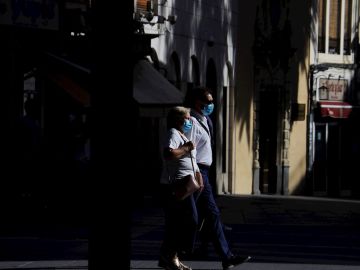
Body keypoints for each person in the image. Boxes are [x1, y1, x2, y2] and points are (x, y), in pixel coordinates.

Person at [184, 86, 251, 269]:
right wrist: (196, 173)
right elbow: (186, 146)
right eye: (209, 101)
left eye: (212, 101)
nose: (212, 104)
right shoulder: (189, 120)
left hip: (205, 171)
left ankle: (220, 255)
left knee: (207, 214)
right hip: (196, 171)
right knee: (198, 215)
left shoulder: (206, 119)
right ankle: (178, 252)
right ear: (198, 102)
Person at [158, 106, 204, 270]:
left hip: (188, 185)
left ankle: (170, 257)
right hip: (178, 186)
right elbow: (168, 153)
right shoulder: (173, 133)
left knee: (176, 223)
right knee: (190, 219)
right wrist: (186, 148)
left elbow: (190, 160)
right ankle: (173, 254)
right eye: (188, 118)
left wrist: (198, 174)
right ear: (178, 119)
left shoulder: (182, 134)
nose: (190, 121)